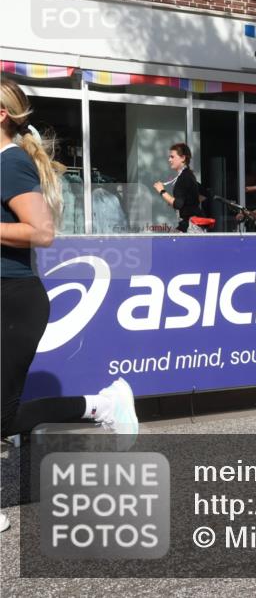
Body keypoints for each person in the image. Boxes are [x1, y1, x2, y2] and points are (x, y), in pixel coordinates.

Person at [1, 78, 137, 531]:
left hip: (12, 299)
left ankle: (100, 406)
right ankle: (100, 406)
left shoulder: (11, 164)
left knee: (2, 417)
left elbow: (40, 232)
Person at [153, 143, 204, 232]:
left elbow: (178, 204)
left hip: (190, 227)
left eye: (172, 157)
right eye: (169, 157)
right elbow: (203, 194)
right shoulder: (188, 175)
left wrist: (162, 191)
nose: (169, 160)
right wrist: (187, 203)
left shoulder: (184, 177)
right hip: (190, 225)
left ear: (183, 158)